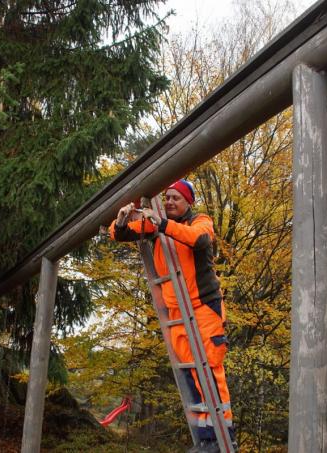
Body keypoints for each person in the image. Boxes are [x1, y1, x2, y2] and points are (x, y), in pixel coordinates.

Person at [109, 179, 236, 453]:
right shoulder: (156, 225)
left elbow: (199, 239)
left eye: (175, 198)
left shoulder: (199, 221)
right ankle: (205, 438)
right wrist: (121, 221)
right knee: (191, 372)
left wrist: (162, 223)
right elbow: (119, 234)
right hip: (179, 313)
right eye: (166, 197)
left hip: (203, 308)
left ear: (188, 202)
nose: (168, 202)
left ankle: (223, 437)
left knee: (210, 369)